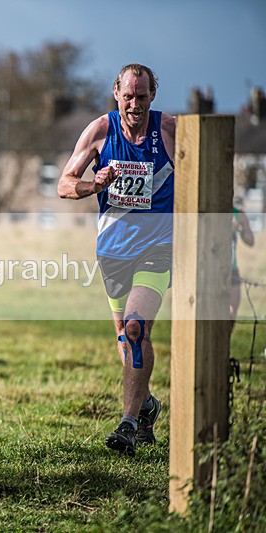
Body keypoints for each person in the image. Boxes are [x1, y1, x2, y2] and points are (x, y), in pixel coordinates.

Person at [58, 64, 175, 456]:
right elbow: (65, 183)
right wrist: (95, 184)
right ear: (116, 94)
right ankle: (147, 405)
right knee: (125, 340)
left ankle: (127, 423)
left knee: (137, 328)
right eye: (128, 96)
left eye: (142, 96)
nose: (134, 103)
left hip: (157, 248)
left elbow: (205, 171)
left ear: (152, 96)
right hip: (112, 252)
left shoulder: (170, 131)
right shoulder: (100, 131)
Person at [230, 202, 255, 324]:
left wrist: (239, 228)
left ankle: (225, 342)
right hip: (213, 271)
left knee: (232, 312)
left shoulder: (238, 214)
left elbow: (251, 241)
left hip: (232, 270)